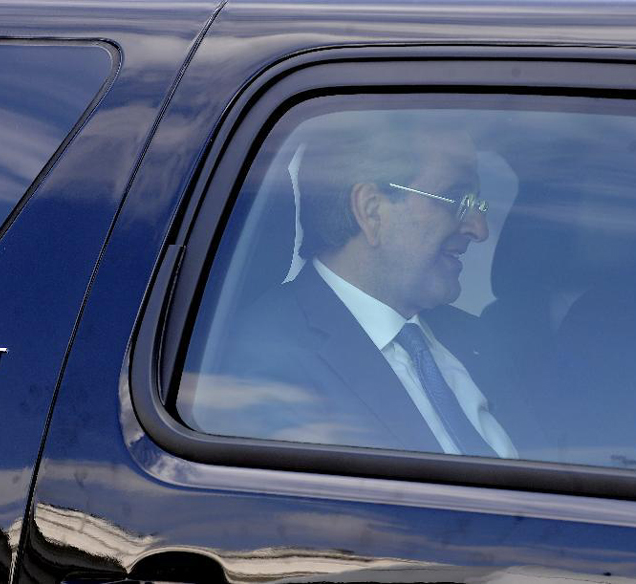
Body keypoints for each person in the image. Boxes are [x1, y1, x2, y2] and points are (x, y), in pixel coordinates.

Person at [204, 123, 517, 458]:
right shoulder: (264, 365)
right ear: (371, 210)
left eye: (477, 204)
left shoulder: (478, 337)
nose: (479, 229)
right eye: (457, 199)